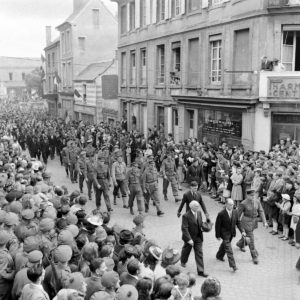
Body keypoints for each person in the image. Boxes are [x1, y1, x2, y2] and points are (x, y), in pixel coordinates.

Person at [236, 189, 268, 264]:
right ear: (247, 195)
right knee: (251, 239)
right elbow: (238, 215)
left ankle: (240, 244)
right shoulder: (243, 203)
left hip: (254, 222)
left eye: (254, 195)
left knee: (247, 236)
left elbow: (261, 211)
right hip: (246, 222)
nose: (253, 197)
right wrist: (236, 224)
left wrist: (265, 222)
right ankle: (254, 256)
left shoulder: (257, 201)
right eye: (251, 195)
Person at [215, 198, 245, 272]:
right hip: (224, 234)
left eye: (232, 205)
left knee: (224, 245)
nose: (232, 206)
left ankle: (219, 255)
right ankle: (233, 266)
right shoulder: (221, 214)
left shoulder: (235, 212)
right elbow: (217, 225)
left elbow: (238, 222)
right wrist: (218, 235)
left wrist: (242, 231)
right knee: (229, 250)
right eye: (230, 205)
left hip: (232, 233)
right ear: (226, 204)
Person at [180, 201, 209, 277]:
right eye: (196, 206)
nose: (198, 207)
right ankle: (183, 261)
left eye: (198, 206)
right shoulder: (186, 216)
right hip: (189, 237)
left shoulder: (199, 213)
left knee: (199, 253)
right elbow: (184, 228)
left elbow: (200, 222)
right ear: (191, 207)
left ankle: (201, 271)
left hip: (198, 237)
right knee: (186, 250)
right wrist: (189, 239)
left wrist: (203, 227)